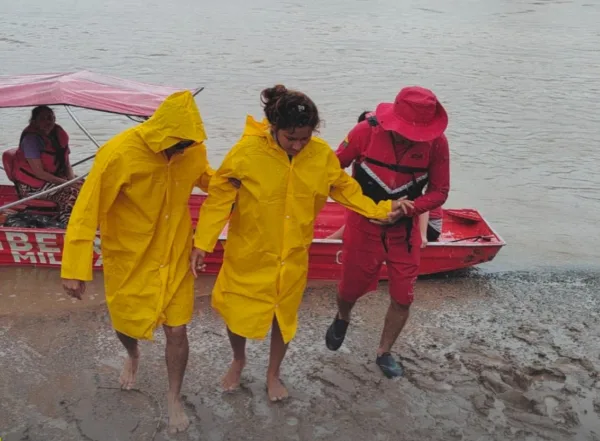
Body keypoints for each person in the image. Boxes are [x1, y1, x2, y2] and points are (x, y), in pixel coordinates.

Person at [189, 85, 406, 402]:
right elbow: (220, 199)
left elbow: (346, 189)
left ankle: (273, 373)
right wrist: (202, 243)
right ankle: (238, 359)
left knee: (284, 318)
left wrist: (381, 210)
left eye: (305, 138)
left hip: (292, 256)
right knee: (237, 313)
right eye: (291, 138)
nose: (298, 145)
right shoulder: (247, 153)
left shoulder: (319, 156)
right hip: (249, 251)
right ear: (273, 128)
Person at [60, 91, 215, 434]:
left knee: (177, 329)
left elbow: (214, 184)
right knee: (126, 323)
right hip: (130, 257)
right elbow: (87, 210)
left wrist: (246, 181)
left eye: (186, 145)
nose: (179, 151)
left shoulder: (193, 150)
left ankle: (174, 395)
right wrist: (74, 268)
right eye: (174, 144)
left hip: (175, 254)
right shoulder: (118, 153)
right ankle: (132, 354)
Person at [324, 86, 450, 378]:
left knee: (403, 297)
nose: (412, 137)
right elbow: (329, 169)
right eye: (406, 131)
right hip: (362, 226)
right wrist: (362, 204)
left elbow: (440, 191)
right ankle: (342, 317)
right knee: (349, 289)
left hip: (403, 233)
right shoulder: (363, 132)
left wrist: (411, 208)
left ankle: (384, 351)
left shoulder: (437, 144)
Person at [327, 110, 444, 248]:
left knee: (368, 217)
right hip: (387, 212)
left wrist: (422, 236)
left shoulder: (421, 152)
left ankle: (329, 241)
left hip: (427, 222)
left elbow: (422, 203)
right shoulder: (364, 142)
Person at [12, 106, 81, 227]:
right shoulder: (31, 140)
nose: (48, 122)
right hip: (32, 185)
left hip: (53, 178)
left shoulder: (57, 135)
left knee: (86, 186)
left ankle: (88, 219)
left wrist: (72, 180)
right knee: (71, 192)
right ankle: (68, 225)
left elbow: (66, 164)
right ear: (34, 121)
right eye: (43, 119)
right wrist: (68, 184)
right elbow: (39, 173)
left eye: (50, 118)